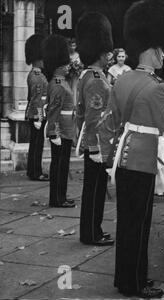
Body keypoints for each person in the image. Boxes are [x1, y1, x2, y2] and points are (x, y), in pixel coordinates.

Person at [98, 0, 164, 299]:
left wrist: (109, 160)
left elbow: (111, 123)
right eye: (161, 49)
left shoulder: (121, 81)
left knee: (126, 223)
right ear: (154, 49)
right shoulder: (158, 86)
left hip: (123, 159)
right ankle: (136, 283)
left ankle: (124, 279)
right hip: (144, 162)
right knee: (141, 224)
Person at [75, 12, 114, 246]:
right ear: (100, 51)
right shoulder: (97, 79)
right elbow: (94, 117)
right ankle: (92, 233)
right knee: (95, 191)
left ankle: (92, 230)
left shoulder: (86, 75)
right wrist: (98, 146)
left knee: (93, 190)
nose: (110, 56)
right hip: (96, 144)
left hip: (93, 142)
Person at [43, 34, 76, 208]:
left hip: (65, 129)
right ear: (59, 66)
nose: (68, 66)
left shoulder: (61, 81)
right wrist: (52, 132)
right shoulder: (57, 83)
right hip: (61, 131)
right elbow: (54, 110)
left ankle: (60, 196)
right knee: (59, 166)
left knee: (62, 166)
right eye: (65, 64)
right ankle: (57, 198)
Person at [24, 34, 49, 182]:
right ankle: (36, 172)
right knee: (37, 145)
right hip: (37, 115)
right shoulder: (38, 75)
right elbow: (38, 100)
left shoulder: (34, 73)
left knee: (35, 144)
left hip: (34, 114)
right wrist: (40, 117)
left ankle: (32, 170)